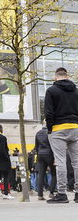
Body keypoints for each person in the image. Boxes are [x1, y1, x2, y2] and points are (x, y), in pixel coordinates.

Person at [44, 67, 78, 203]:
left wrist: (49, 129)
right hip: (75, 128)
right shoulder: (76, 91)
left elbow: (48, 113)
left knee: (60, 161)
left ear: (55, 77)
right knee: (77, 162)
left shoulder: (51, 91)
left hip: (58, 129)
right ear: (67, 76)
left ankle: (62, 194)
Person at [34, 121, 56, 200]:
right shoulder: (51, 132)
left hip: (40, 155)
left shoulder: (38, 133)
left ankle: (40, 195)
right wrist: (55, 158)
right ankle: (51, 192)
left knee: (41, 175)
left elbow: (36, 146)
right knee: (54, 174)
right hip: (49, 155)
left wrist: (38, 153)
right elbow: (53, 146)